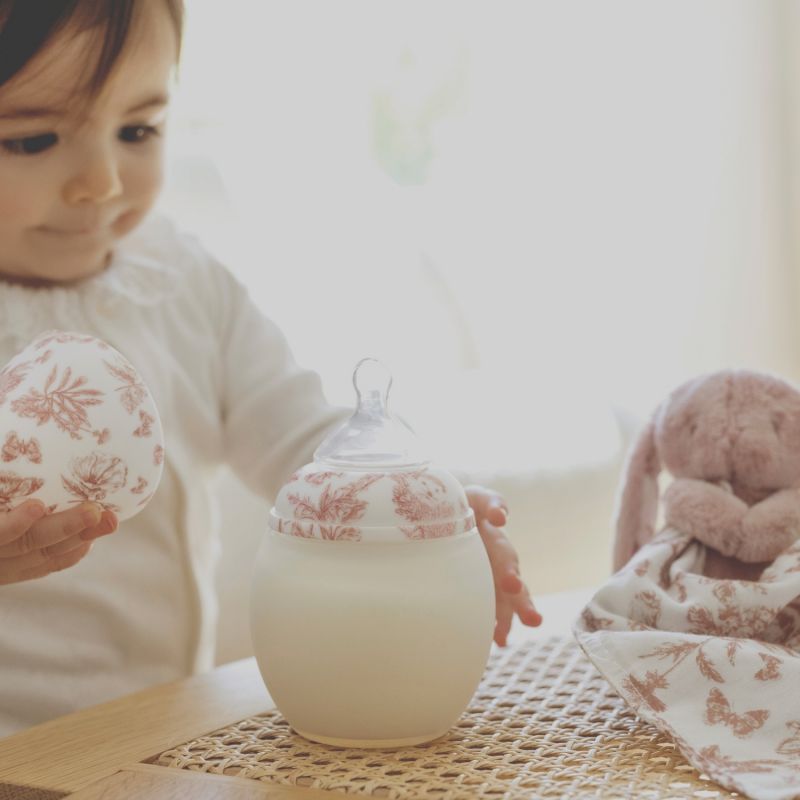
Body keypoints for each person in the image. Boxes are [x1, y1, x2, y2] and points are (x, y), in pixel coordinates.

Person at [0, 0, 541, 737]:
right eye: (32, 138)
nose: (101, 181)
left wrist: (407, 501)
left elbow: (304, 441)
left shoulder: (182, 282)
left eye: (138, 130)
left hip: (159, 732)